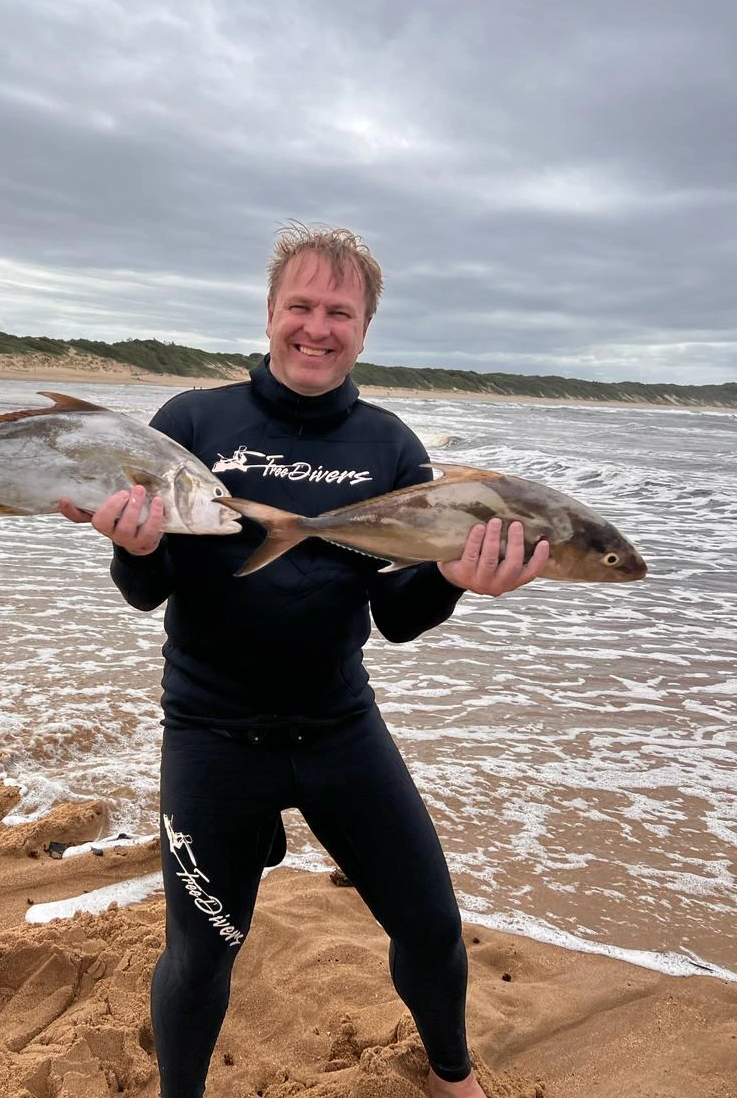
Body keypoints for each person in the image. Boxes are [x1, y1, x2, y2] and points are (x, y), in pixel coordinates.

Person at [60, 226, 548, 1098]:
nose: (317, 328)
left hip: (338, 728)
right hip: (211, 734)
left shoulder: (391, 449)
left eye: (340, 312)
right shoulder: (193, 423)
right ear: (271, 312)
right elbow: (146, 592)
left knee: (432, 926)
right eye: (301, 307)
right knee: (202, 954)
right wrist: (132, 548)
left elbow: (394, 617)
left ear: (365, 329)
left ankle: (450, 1076)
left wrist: (454, 578)